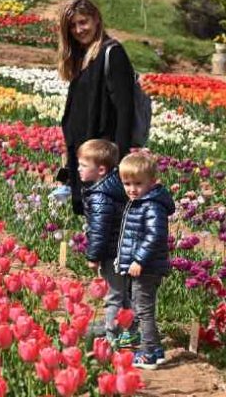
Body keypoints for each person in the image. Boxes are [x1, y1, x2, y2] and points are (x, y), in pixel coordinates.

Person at [53, 0, 138, 214]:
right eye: (72, 25)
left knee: (101, 221)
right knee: (89, 219)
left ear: (96, 20)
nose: (79, 29)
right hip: (83, 156)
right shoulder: (82, 56)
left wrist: (119, 165)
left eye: (84, 22)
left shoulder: (112, 53)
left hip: (102, 159)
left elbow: (124, 111)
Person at [115, 151, 174, 369]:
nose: (131, 189)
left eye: (138, 183)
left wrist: (138, 260)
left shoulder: (152, 206)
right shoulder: (141, 202)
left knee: (144, 310)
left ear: (152, 181)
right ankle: (156, 348)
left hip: (147, 267)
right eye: (126, 183)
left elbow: (155, 236)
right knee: (141, 307)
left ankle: (148, 353)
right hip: (141, 265)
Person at [78, 139, 135, 347]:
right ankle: (131, 331)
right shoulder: (114, 186)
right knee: (125, 294)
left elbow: (100, 231)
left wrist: (94, 256)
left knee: (114, 295)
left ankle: (111, 338)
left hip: (113, 253)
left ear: (101, 169)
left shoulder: (101, 195)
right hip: (125, 249)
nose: (78, 169)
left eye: (83, 165)